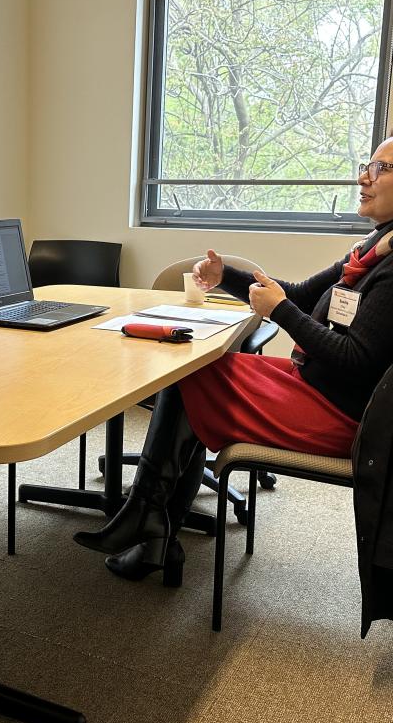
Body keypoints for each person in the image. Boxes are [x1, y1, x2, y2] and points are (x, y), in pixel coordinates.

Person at [74, 138, 393, 584]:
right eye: (368, 165)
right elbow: (301, 293)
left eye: (381, 168)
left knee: (191, 379)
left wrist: (279, 311)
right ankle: (150, 525)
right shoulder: (375, 247)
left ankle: (150, 522)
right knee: (192, 368)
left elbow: (355, 358)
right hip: (317, 385)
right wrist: (229, 277)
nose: (364, 177)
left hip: (342, 415)